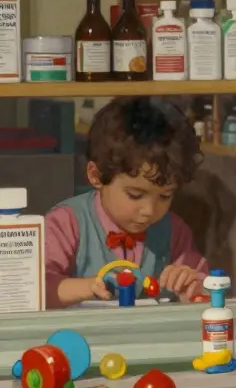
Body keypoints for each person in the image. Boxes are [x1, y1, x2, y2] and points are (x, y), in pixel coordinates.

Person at [45, 97, 210, 308]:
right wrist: (87, 287)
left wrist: (192, 286)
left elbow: (206, 288)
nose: (149, 211)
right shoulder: (66, 224)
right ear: (96, 176)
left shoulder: (174, 232)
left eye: (165, 196)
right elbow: (38, 288)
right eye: (135, 195)